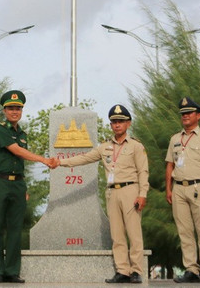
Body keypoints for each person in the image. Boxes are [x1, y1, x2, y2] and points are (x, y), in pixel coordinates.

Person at [54, 104, 149, 284]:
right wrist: (60, 162)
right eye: (114, 122)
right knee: (117, 234)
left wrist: (142, 193)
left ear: (128, 123)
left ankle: (136, 270)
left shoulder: (136, 146)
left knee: (134, 233)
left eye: (121, 121)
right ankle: (122, 270)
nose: (117, 125)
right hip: (112, 192)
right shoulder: (105, 146)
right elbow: (84, 158)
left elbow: (143, 171)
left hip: (131, 190)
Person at [0, 90, 56, 284]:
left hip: (17, 183)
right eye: (11, 108)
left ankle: (12, 271)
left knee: (16, 228)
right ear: (4, 110)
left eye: (18, 108)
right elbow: (16, 151)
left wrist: (23, 187)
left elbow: (20, 163)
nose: (14, 112)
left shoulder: (22, 133)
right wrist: (43, 159)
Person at [165, 97, 200, 284]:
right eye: (183, 113)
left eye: (189, 113)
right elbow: (169, 165)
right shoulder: (175, 138)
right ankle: (191, 269)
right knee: (185, 232)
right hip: (179, 188)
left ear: (199, 115)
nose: (185, 116)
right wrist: (168, 189)